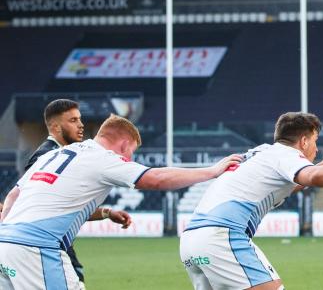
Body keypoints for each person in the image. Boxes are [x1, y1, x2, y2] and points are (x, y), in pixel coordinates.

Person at [0, 114, 240, 290]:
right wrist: (211, 171)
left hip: (4, 245)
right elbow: (154, 179)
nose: (129, 159)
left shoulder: (54, 154)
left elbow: (12, 196)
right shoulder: (103, 158)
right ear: (124, 144)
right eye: (131, 153)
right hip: (37, 249)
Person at [180, 112, 323, 290]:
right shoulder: (285, 155)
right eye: (315, 141)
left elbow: (291, 183)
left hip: (191, 241)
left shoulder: (262, 153)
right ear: (304, 141)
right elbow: (312, 177)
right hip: (221, 237)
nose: (316, 148)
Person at [2, 99, 132, 287]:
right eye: (73, 120)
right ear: (55, 126)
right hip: (43, 248)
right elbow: (34, 206)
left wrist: (106, 213)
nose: (81, 125)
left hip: (48, 245)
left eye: (80, 119)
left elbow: (63, 206)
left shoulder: (65, 154)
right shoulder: (45, 156)